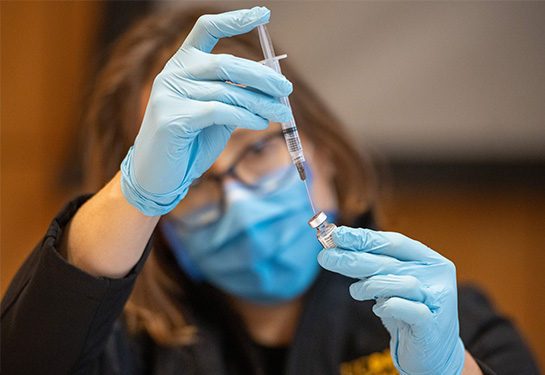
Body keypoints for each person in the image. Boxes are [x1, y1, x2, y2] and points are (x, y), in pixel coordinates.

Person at [1, 7, 540, 375]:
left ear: (321, 148)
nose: (236, 198)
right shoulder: (123, 349)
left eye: (257, 151)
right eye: (194, 181)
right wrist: (134, 194)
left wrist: (452, 370)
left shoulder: (444, 323)